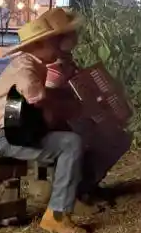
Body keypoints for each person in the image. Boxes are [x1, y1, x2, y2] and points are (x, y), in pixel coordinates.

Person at [0, 8, 94, 233]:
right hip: (0, 136)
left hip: (7, 131)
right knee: (71, 143)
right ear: (40, 44)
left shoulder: (34, 63)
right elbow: (36, 97)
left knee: (66, 135)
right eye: (55, 42)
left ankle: (68, 198)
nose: (60, 47)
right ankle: (56, 216)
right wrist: (69, 106)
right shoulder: (25, 66)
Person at [44, 27, 131, 205]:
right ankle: (80, 189)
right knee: (110, 138)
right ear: (60, 40)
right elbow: (49, 105)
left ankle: (86, 185)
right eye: (72, 34)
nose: (76, 36)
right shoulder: (54, 70)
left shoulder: (67, 63)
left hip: (76, 121)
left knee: (117, 137)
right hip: (62, 125)